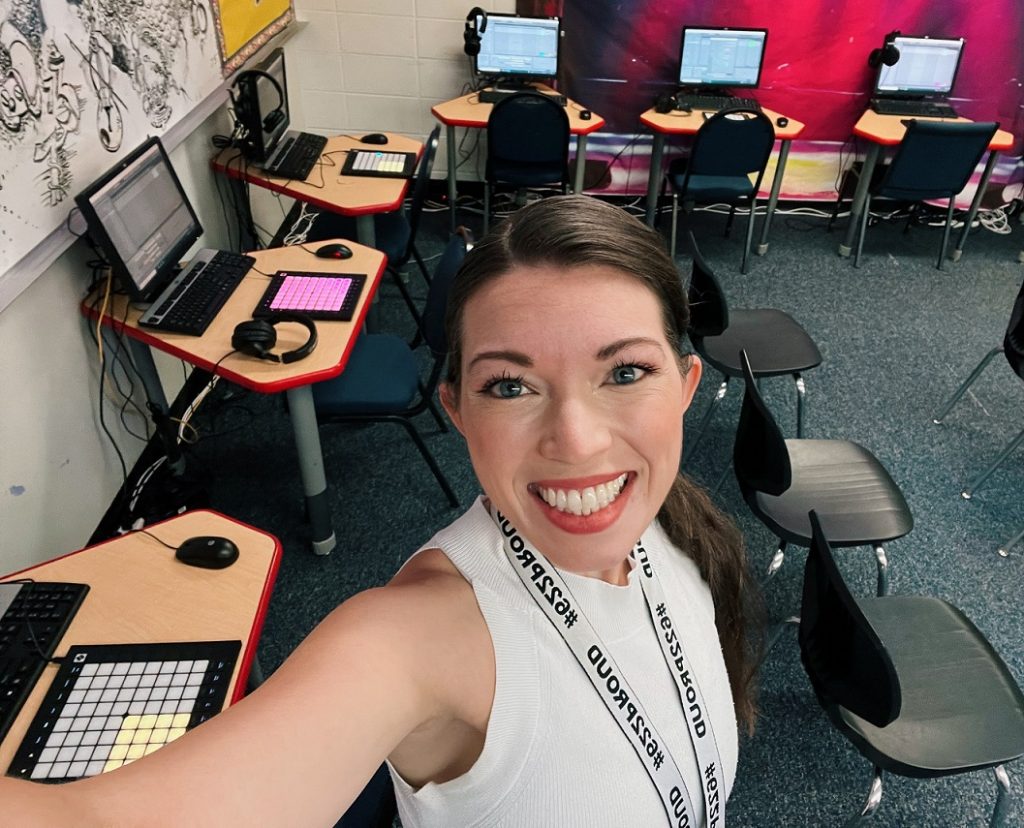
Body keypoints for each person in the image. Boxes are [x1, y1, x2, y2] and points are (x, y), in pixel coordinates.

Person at [5, 195, 762, 827]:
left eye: (625, 371)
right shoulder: (415, 639)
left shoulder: (675, 528)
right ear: (457, 410)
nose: (578, 440)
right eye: (510, 386)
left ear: (688, 386)